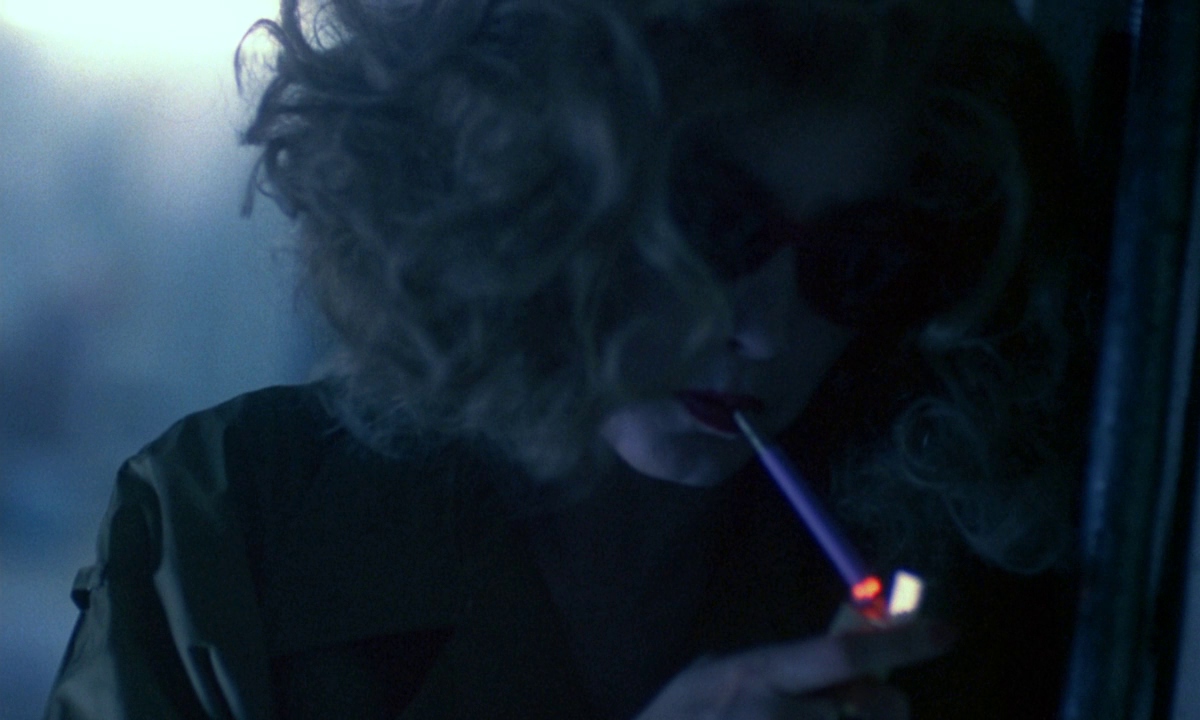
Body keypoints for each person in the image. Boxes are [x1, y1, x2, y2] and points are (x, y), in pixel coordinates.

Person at [44, 0, 1089, 717]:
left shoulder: (937, 603)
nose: (766, 329)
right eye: (713, 223)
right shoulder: (229, 535)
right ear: (536, 189)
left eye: (856, 262)